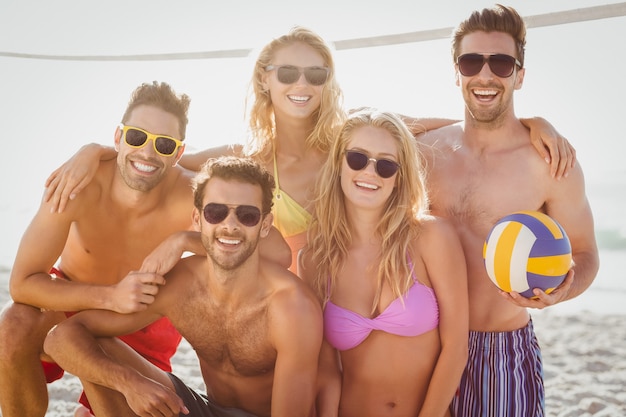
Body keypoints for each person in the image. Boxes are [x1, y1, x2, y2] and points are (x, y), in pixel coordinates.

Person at [43, 27, 576, 273]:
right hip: (290, 314)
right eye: (289, 72)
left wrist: (531, 121)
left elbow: (449, 126)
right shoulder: (247, 159)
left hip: (351, 308)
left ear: (327, 82)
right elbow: (159, 158)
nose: (303, 83)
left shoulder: (352, 143)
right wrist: (93, 150)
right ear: (265, 80)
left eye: (316, 72)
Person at [0, 82, 289, 417]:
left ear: (178, 153)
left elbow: (277, 254)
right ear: (119, 137)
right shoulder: (78, 184)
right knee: (13, 327)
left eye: (164, 145)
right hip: (73, 297)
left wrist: (182, 240)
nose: (149, 153)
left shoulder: (191, 192)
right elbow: (22, 284)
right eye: (137, 137)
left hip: (143, 323)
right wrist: (111, 296)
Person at [416, 5, 600, 416]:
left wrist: (562, 292)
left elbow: (586, 253)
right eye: (470, 61)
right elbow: (362, 125)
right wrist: (535, 120)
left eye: (500, 63)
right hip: (421, 343)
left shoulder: (550, 163)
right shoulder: (423, 151)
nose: (484, 75)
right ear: (456, 71)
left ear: (519, 75)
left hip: (498, 350)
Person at [44, 156, 324, 417]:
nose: (230, 226)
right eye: (216, 212)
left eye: (247, 216)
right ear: (197, 219)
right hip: (206, 408)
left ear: (264, 226)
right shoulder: (182, 284)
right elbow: (60, 339)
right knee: (100, 347)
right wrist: (130, 384)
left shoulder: (291, 308)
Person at [298, 108, 468, 417]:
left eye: (386, 165)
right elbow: (326, 368)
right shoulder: (315, 260)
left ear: (399, 176)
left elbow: (456, 347)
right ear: (338, 163)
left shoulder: (431, 237)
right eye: (358, 159)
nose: (370, 172)